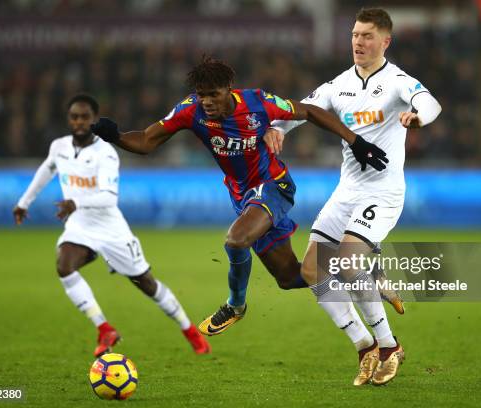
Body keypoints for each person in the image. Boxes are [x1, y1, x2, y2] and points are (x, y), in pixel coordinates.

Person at [90, 56, 388, 337]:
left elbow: (309, 111)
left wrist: (355, 141)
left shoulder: (257, 103)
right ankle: (361, 269)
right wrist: (115, 135)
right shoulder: (190, 111)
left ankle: (235, 306)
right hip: (244, 198)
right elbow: (145, 140)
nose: (206, 101)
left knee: (236, 239)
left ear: (228, 91)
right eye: (201, 94)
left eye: (213, 94)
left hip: (273, 185)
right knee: (292, 278)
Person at [265, 7, 442, 386]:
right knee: (311, 270)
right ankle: (364, 346)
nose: (359, 42)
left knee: (346, 264)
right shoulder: (338, 84)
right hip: (347, 191)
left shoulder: (397, 81)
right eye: (355, 35)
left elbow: (430, 103)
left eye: (367, 36)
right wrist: (278, 127)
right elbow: (306, 110)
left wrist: (417, 117)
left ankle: (389, 346)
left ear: (385, 41)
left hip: (384, 191)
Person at [13, 94, 210, 357]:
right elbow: (47, 169)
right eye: (75, 116)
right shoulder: (59, 146)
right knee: (64, 266)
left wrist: (75, 201)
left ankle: (189, 331)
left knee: (147, 284)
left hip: (110, 229)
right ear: (69, 119)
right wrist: (24, 202)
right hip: (80, 225)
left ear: (94, 119)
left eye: (85, 117)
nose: (79, 121)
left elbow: (108, 197)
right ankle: (104, 328)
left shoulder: (105, 152)